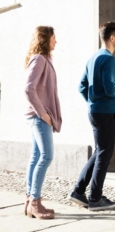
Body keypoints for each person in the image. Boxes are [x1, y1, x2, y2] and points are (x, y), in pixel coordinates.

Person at [68, 22, 115, 211]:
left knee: (99, 152)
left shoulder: (92, 58)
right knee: (104, 154)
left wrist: (92, 101)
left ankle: (79, 192)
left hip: (94, 111)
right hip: (106, 112)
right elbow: (111, 89)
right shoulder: (108, 59)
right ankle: (95, 199)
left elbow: (81, 87)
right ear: (111, 38)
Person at [24, 26, 62, 219]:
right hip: (39, 117)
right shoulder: (39, 59)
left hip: (37, 116)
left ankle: (30, 201)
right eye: (54, 38)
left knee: (36, 156)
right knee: (46, 156)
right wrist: (44, 114)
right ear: (46, 39)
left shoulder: (45, 59)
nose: (56, 41)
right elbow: (28, 89)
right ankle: (35, 202)